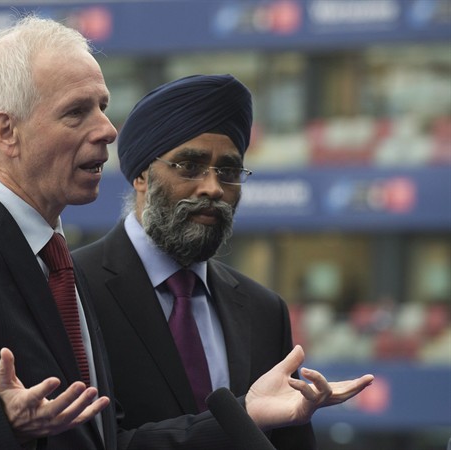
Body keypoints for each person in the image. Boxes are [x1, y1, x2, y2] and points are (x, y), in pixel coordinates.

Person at [0, 16, 372, 450]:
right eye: (77, 112)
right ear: (6, 132)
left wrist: (243, 414)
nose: (108, 130)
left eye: (103, 106)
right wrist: (3, 424)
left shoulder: (54, 260)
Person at [72, 74, 373, 449]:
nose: (213, 188)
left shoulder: (263, 311)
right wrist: (240, 417)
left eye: (228, 172)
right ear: (142, 176)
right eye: (190, 166)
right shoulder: (73, 289)